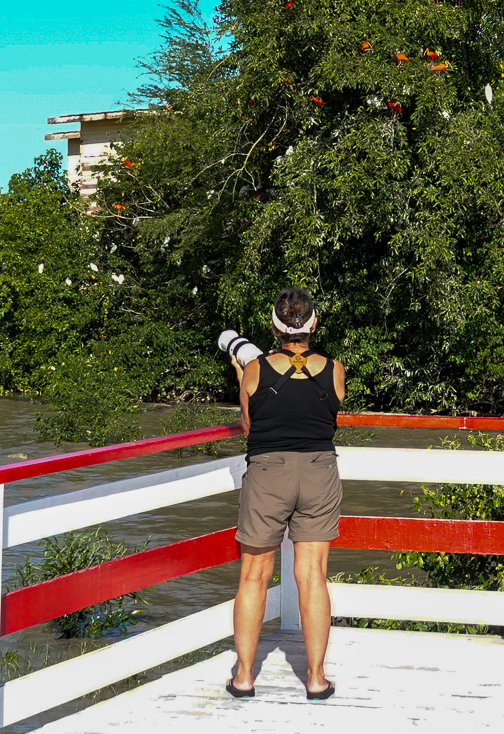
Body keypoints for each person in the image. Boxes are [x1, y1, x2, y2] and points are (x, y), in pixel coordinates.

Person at [226, 287, 345, 701]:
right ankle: (316, 679)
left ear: (274, 326)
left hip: (267, 474)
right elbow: (327, 414)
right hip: (318, 472)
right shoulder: (335, 369)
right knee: (312, 575)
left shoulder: (255, 369)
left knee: (253, 576)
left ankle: (244, 677)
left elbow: (249, 426)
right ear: (313, 324)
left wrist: (242, 379)